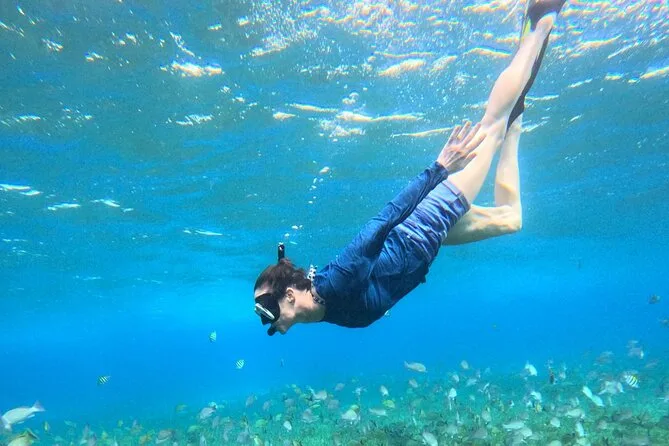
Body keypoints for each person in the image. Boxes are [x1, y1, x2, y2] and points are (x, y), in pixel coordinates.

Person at [253, 0, 567, 336]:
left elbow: (383, 221)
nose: (264, 319)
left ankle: (540, 21)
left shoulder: (340, 280)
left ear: (289, 295)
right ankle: (515, 118)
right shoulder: (319, 303)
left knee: (491, 126)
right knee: (510, 218)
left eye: (265, 308)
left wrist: (440, 167)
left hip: (428, 221)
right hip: (426, 243)